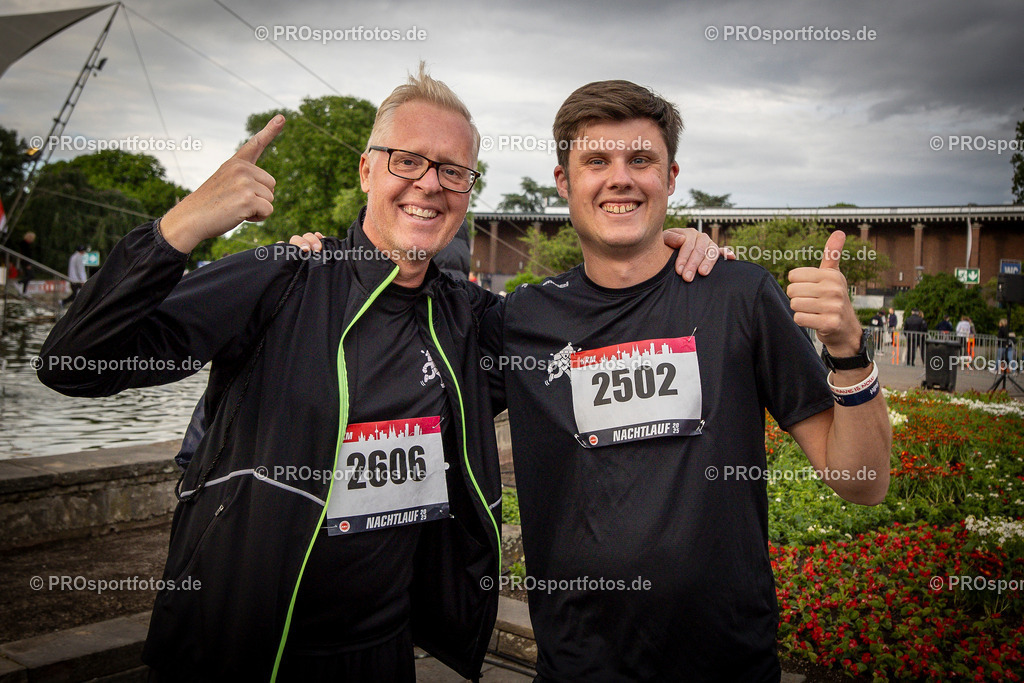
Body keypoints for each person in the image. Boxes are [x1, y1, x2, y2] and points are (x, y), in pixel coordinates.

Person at [40, 66, 723, 682]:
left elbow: (593, 319)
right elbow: (75, 363)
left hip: (381, 653)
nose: (429, 182)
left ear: (467, 191)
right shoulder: (280, 279)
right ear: (368, 170)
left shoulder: (470, 319)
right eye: (408, 160)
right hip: (234, 646)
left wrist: (664, 256)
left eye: (453, 170)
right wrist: (182, 224)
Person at [478, 80, 891, 681]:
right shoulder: (519, 320)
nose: (620, 178)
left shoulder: (740, 295)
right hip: (578, 666)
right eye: (597, 160)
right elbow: (379, 383)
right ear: (564, 182)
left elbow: (864, 484)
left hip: (729, 663)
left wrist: (848, 351)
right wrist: (298, 272)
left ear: (670, 178)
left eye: (641, 160)